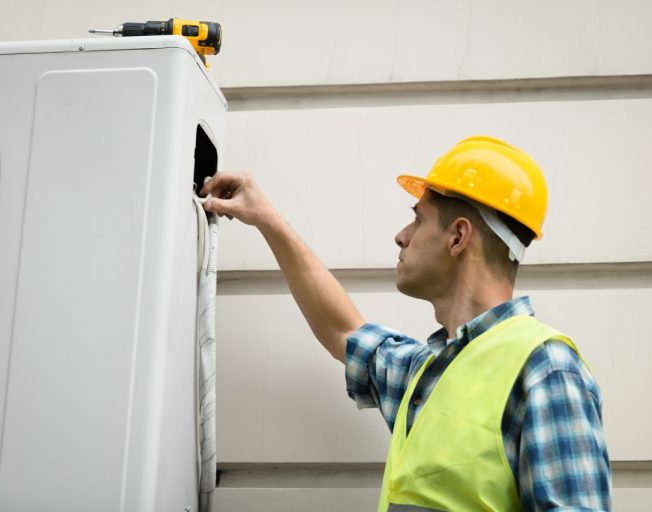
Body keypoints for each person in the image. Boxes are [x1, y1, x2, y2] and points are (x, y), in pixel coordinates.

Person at [201, 135, 611, 511]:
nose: (401, 235)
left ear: (458, 237)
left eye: (418, 218)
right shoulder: (426, 376)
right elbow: (344, 330)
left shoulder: (545, 369)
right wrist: (267, 219)